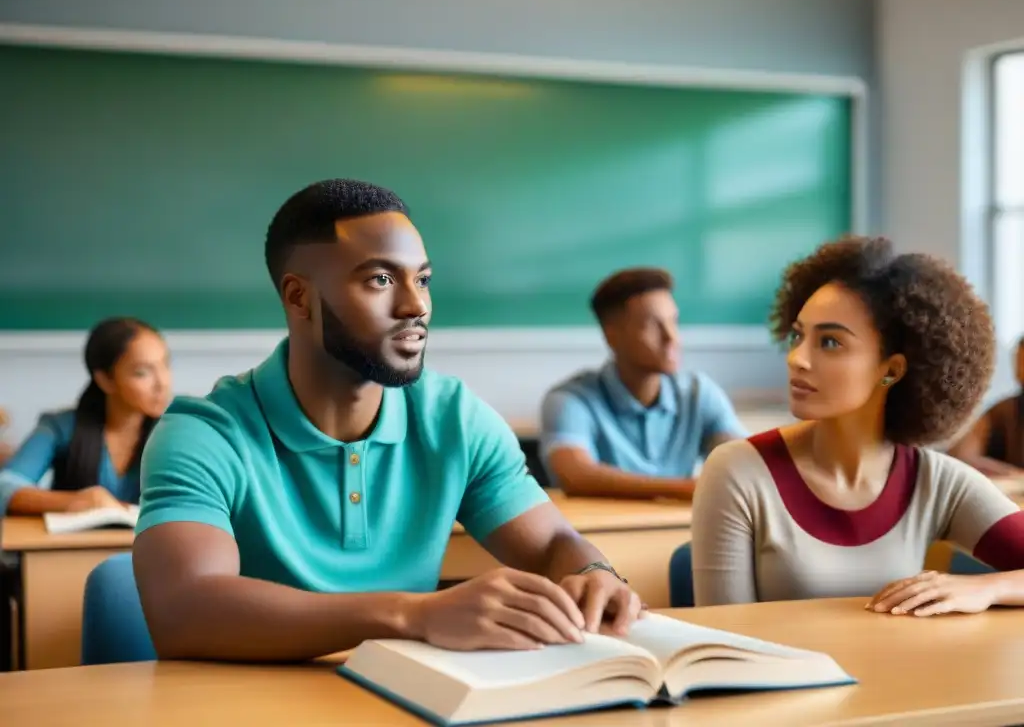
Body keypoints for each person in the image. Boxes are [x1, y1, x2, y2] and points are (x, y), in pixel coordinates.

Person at [132, 179, 642, 663]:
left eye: (422, 279)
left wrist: (591, 572)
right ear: (298, 297)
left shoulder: (455, 419)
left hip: (412, 699)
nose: (416, 305)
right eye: (380, 279)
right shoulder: (203, 433)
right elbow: (184, 610)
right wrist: (411, 613)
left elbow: (553, 543)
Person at [691, 236, 1024, 617]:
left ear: (892, 370)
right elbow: (723, 642)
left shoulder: (936, 481)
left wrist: (986, 587)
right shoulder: (736, 472)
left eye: (830, 342)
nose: (797, 359)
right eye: (798, 335)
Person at [539, 268, 745, 500]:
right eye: (652, 325)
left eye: (673, 322)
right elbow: (575, 475)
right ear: (611, 336)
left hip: (679, 528)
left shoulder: (698, 392)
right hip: (606, 532)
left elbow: (741, 460)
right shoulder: (571, 399)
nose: (671, 337)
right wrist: (686, 489)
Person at [0, 317, 171, 516]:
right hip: (73, 546)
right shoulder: (61, 427)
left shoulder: (176, 432)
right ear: (105, 380)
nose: (162, 383)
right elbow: (6, 485)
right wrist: (75, 501)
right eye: (142, 373)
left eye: (165, 365)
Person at [947, 338, 1024, 477]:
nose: (1019, 372)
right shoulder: (1005, 410)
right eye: (1017, 363)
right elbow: (962, 455)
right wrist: (1012, 474)